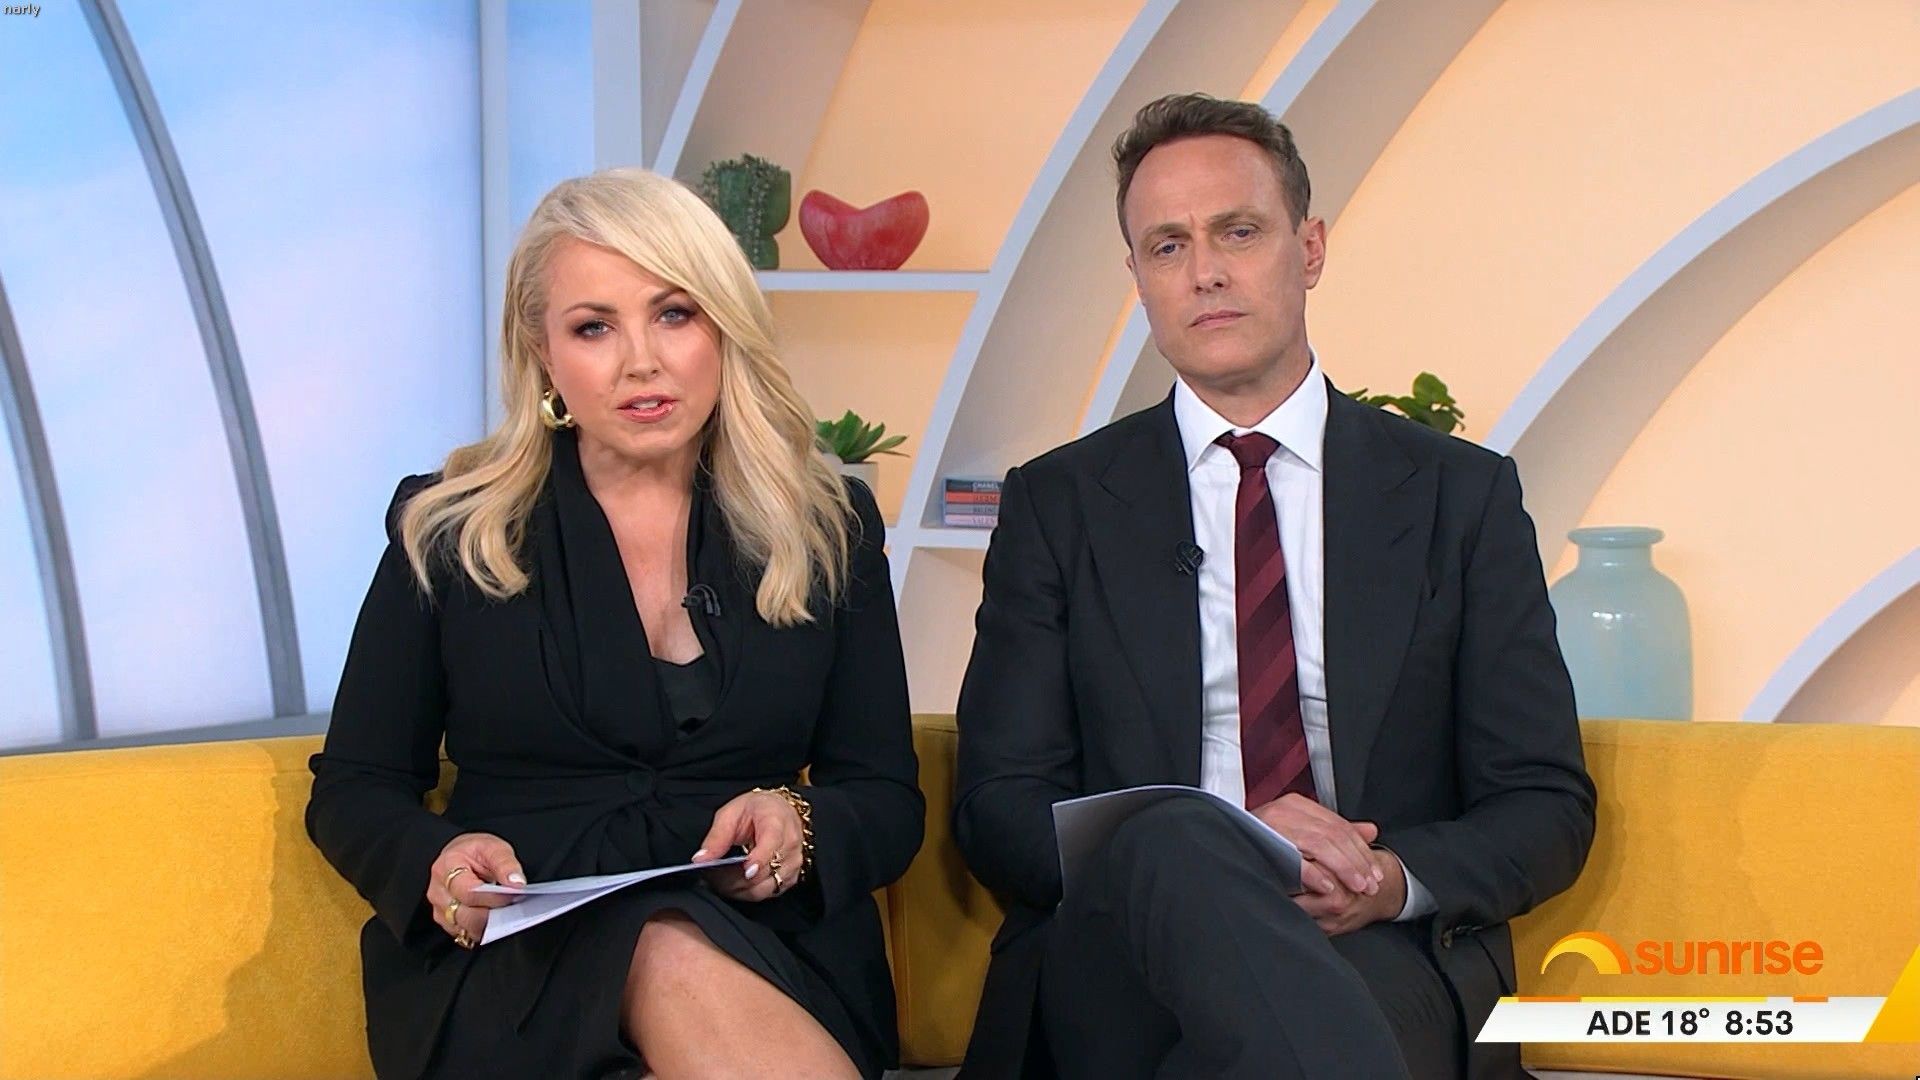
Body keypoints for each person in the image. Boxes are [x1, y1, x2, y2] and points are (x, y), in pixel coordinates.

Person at [951, 93, 1596, 1080]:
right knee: (1177, 842)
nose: (1204, 271)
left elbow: (1543, 802)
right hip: (1118, 957)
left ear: (1311, 248)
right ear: (1138, 280)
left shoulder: (1458, 497)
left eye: (1238, 232)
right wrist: (1230, 838)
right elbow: (1000, 809)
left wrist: (1387, 880)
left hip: (1371, 942)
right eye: (1167, 246)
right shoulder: (1060, 504)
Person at [306, 168, 922, 1080]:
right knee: (657, 944)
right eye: (594, 327)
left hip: (769, 948)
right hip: (516, 964)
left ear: (723, 326)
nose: (642, 361)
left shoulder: (828, 526)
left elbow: (884, 795)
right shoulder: (449, 528)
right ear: (543, 352)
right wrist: (442, 859)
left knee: (674, 949)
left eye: (674, 314)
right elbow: (356, 787)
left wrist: (799, 822)